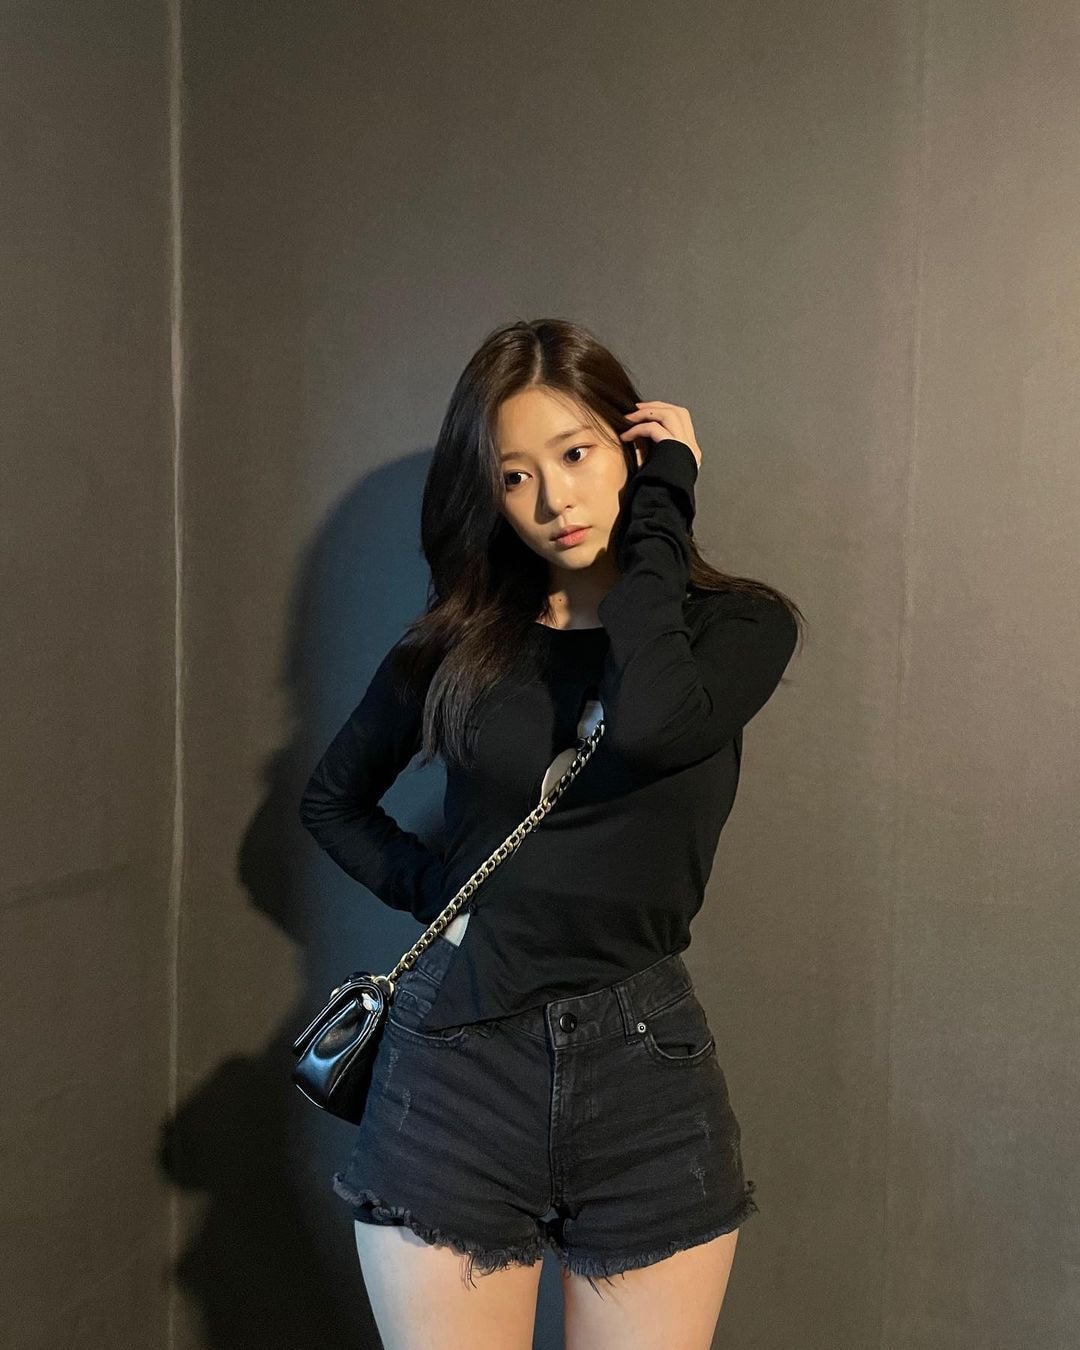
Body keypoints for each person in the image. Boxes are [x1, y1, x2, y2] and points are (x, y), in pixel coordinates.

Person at [298, 318, 804, 1350]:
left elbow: (654, 718)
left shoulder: (738, 629)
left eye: (576, 455)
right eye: (515, 477)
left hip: (645, 1072)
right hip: (456, 1061)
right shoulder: (460, 648)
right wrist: (449, 896)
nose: (553, 502)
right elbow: (331, 802)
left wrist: (665, 504)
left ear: (633, 447)